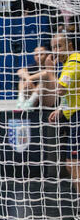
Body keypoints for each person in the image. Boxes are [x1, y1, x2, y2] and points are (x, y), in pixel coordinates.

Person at [48, 33, 80, 194]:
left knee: (73, 162)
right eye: (53, 47)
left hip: (78, 117)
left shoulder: (74, 62)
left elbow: (60, 90)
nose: (55, 51)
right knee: (71, 163)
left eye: (59, 46)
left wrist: (49, 72)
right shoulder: (69, 62)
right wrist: (61, 109)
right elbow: (73, 93)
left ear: (70, 45)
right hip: (73, 116)